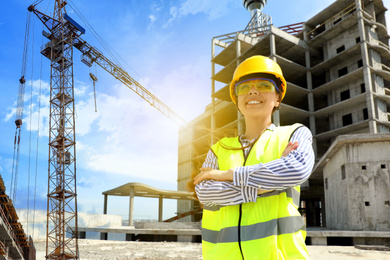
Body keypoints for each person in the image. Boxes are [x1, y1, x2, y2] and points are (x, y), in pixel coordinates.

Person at [192, 55, 315, 259]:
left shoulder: (294, 134)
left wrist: (228, 174)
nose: (252, 91)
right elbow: (205, 193)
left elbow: (296, 169)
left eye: (264, 85)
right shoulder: (218, 148)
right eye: (243, 87)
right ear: (238, 101)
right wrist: (271, 181)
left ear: (277, 98)